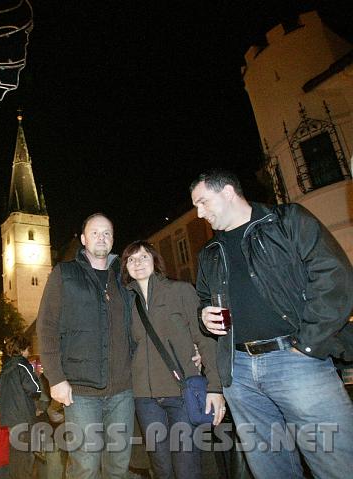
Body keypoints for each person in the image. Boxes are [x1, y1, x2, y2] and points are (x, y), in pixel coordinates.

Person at [190, 168, 353, 478]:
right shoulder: (210, 252)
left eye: (203, 202)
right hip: (239, 373)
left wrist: (307, 344)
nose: (199, 213)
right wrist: (203, 315)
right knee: (270, 469)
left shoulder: (286, 221)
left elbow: (334, 276)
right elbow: (204, 300)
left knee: (336, 461)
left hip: (296, 361)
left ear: (227, 192)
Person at [36, 212, 135, 478]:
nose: (101, 238)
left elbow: (144, 322)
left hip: (122, 390)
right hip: (80, 392)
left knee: (118, 466)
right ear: (83, 239)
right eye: (94, 233)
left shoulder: (125, 278)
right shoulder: (64, 273)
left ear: (113, 240)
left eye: (106, 233)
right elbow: (46, 327)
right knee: (86, 467)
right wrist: (55, 378)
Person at [121, 240, 225, 479]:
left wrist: (215, 386)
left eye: (143, 257)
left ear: (155, 261)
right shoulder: (127, 302)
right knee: (162, 469)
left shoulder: (180, 291)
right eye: (131, 259)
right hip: (145, 399)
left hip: (181, 393)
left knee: (187, 467)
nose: (137, 263)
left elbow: (205, 339)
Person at [0, 335, 41, 479]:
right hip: (23, 417)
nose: (29, 352)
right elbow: (35, 388)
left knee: (16, 458)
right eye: (28, 349)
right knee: (25, 460)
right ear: (21, 350)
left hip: (9, 419)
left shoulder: (5, 369)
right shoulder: (22, 365)